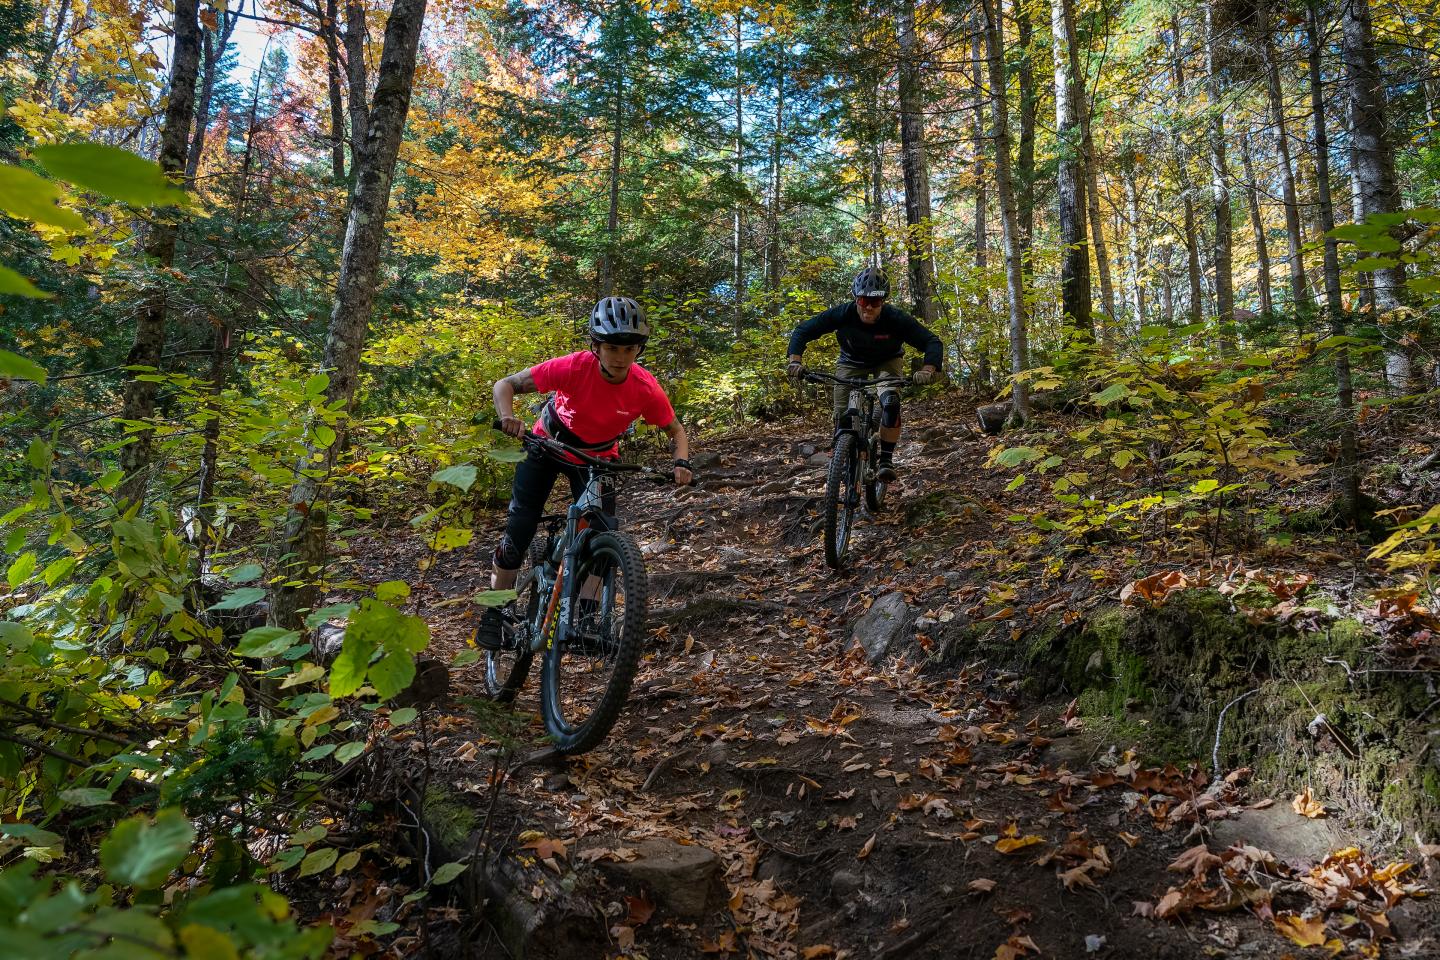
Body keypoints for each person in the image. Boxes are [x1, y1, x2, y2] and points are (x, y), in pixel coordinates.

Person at [478, 296, 692, 649]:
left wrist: (681, 462)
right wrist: (507, 417)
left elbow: (676, 430)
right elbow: (506, 384)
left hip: (598, 458)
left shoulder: (645, 386)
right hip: (548, 445)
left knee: (601, 532)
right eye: (612, 347)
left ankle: (589, 619)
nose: (621, 356)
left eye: (629, 348)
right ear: (595, 345)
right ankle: (495, 612)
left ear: (640, 348)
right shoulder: (574, 367)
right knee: (520, 527)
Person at [785, 266, 942, 481]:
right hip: (850, 362)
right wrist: (795, 362)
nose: (868, 307)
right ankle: (842, 452)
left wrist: (928, 369)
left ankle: (886, 460)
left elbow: (931, 341)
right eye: (862, 301)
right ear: (855, 299)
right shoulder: (843, 313)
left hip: (887, 361)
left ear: (883, 302)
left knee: (891, 403)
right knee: (842, 415)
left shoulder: (895, 318)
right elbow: (803, 330)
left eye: (875, 302)